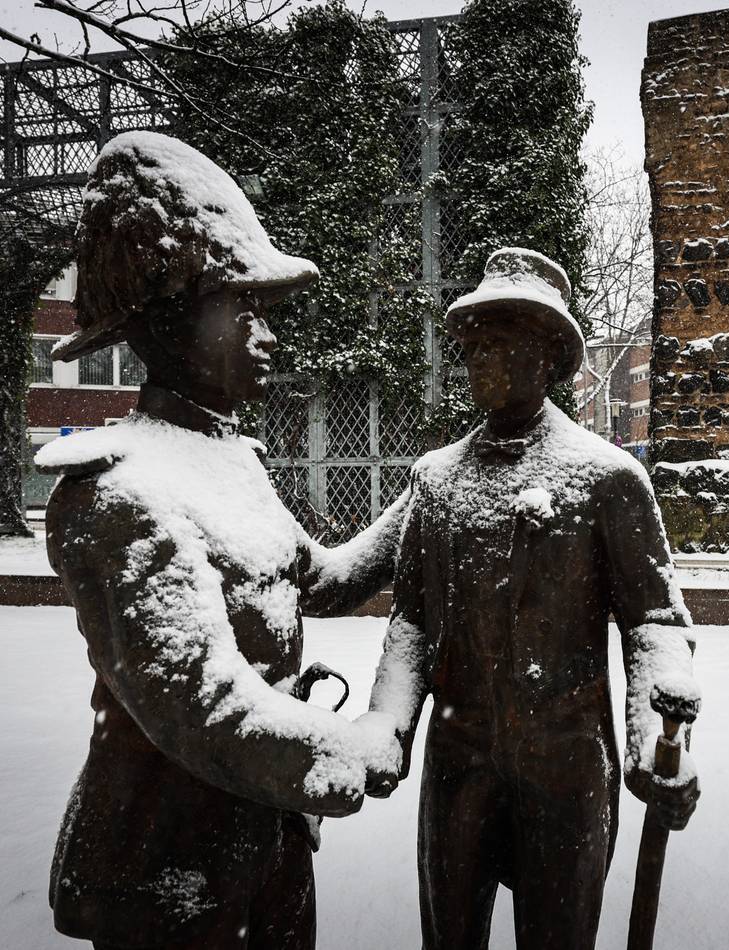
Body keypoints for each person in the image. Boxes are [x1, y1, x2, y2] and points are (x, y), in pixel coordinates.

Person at [36, 131, 402, 950]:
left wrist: (424, 494)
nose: (268, 336)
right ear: (173, 318)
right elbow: (197, 703)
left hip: (263, 841)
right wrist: (338, 746)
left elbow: (324, 579)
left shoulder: (229, 460)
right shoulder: (120, 489)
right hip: (167, 865)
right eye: (246, 310)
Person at [367, 248, 701, 950]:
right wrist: (388, 731)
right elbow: (413, 623)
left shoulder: (606, 479)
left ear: (548, 357)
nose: (477, 359)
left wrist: (651, 745)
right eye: (471, 345)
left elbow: (654, 620)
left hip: (566, 767)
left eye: (500, 342)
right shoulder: (437, 481)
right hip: (459, 764)